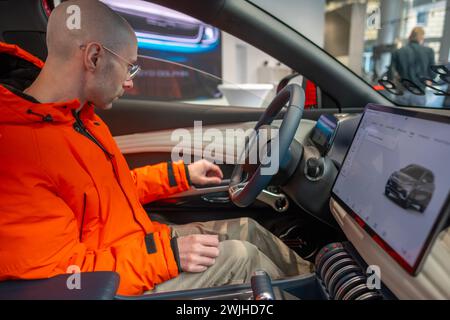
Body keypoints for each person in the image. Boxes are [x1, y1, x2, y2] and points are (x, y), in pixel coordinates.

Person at [0, 0, 310, 296]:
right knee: (240, 256)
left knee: (247, 229)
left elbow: (113, 190)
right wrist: (167, 256)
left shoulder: (81, 120)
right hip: (113, 283)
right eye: (130, 67)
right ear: (94, 57)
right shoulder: (15, 153)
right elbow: (60, 280)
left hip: (135, 247)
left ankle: (327, 284)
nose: (130, 82)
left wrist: (181, 175)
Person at [387, 26, 435, 106]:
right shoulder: (429, 52)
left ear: (410, 37)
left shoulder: (398, 52)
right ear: (422, 37)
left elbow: (390, 74)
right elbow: (433, 74)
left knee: (400, 117)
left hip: (402, 92)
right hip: (419, 93)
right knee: (417, 118)